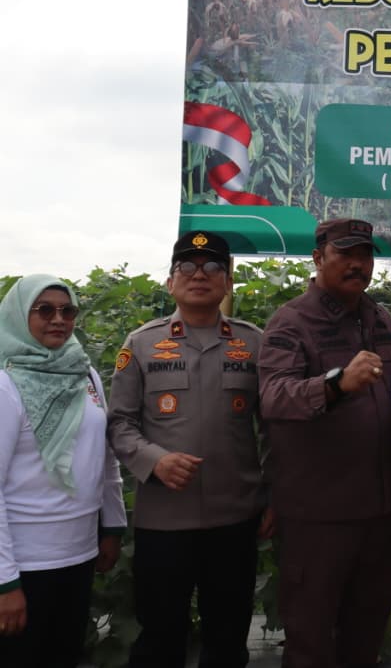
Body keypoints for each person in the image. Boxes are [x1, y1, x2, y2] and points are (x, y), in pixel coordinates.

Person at [106, 230, 269, 668]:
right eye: (188, 267)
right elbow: (119, 423)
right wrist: (155, 460)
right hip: (164, 521)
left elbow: (273, 428)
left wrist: (271, 495)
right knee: (160, 639)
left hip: (234, 518)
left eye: (213, 267)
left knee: (228, 639)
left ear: (228, 281)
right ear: (170, 282)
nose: (200, 275)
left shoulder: (254, 343)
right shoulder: (141, 344)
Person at [257, 218, 391, 668]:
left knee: (366, 635)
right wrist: (336, 383)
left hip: (380, 512)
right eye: (346, 254)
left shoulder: (379, 318)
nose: (358, 264)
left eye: (366, 255)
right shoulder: (291, 321)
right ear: (319, 257)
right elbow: (273, 397)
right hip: (319, 516)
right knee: (312, 639)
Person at [0, 275, 126, 668]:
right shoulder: (6, 384)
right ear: (20, 316)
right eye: (44, 310)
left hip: (79, 553)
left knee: (65, 655)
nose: (58, 319)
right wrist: (5, 582)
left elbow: (105, 456)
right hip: (25, 563)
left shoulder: (84, 375)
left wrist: (112, 527)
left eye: (67, 310)